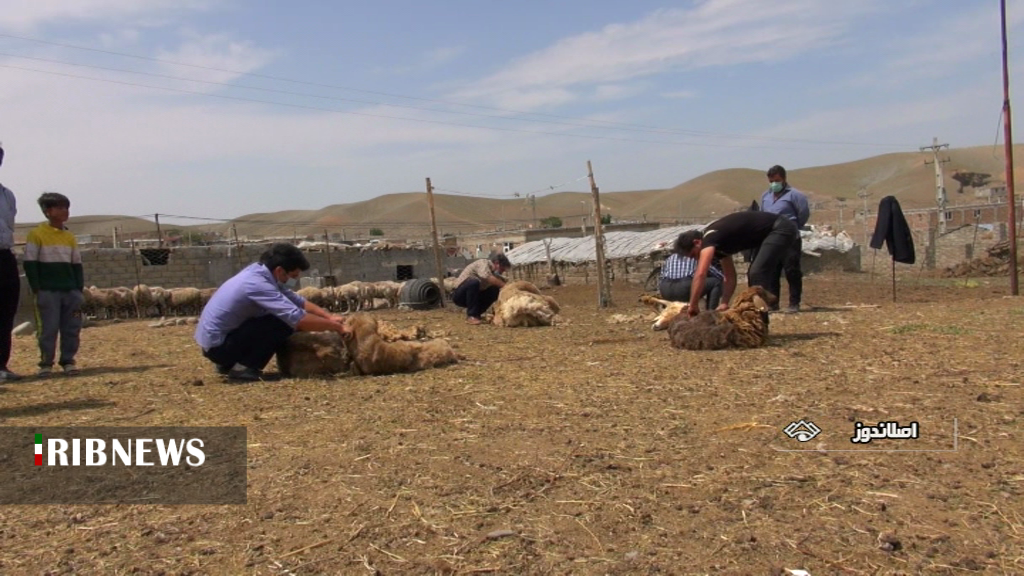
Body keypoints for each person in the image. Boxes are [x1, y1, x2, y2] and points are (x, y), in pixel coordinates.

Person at [195, 243, 351, 382]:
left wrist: (328, 316)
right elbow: (298, 318)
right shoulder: (257, 284)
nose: (294, 281)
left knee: (271, 318)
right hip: (219, 347)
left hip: (216, 343)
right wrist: (338, 328)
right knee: (281, 322)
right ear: (280, 271)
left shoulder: (260, 273)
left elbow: (296, 300)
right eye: (294, 276)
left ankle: (227, 365)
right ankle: (244, 368)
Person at [676, 210, 799, 318]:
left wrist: (693, 305)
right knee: (756, 272)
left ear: (697, 242)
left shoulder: (709, 238)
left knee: (756, 272)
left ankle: (760, 323)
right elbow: (729, 276)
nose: (697, 259)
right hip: (773, 232)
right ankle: (761, 314)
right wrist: (724, 302)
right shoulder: (720, 246)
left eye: (694, 255)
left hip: (781, 228)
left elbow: (701, 274)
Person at [23, 192, 85, 376]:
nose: (65, 211)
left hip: (70, 290)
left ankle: (68, 360)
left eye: (66, 207)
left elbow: (76, 264)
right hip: (47, 291)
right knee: (48, 327)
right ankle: (45, 363)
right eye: (60, 208)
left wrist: (78, 289)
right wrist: (37, 288)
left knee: (72, 327)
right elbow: (30, 263)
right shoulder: (36, 234)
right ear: (48, 211)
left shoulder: (69, 237)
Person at [760, 165, 810, 313]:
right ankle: (773, 303)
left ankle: (794, 303)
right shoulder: (765, 196)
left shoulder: (795, 195)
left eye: (776, 180)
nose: (773, 184)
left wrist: (794, 227)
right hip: (771, 238)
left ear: (783, 179)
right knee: (772, 272)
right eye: (771, 181)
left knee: (792, 270)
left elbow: (803, 214)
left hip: (790, 238)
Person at [0, 143, 22, 381]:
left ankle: (1, 366)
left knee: (6, 312)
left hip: (4, 256)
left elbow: (9, 226)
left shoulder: (7, 195)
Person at [659, 232, 724, 309]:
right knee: (716, 282)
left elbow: (661, 277)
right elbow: (718, 276)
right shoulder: (695, 255)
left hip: (665, 288)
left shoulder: (670, 258)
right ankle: (711, 312)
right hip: (684, 288)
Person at [451, 253, 511, 325]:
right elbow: (487, 277)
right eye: (502, 269)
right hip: (459, 295)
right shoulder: (483, 263)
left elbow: (504, 282)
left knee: (494, 290)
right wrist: (507, 287)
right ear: (497, 263)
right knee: (474, 282)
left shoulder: (494, 274)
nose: (502, 272)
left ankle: (477, 313)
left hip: (474, 296)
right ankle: (471, 316)